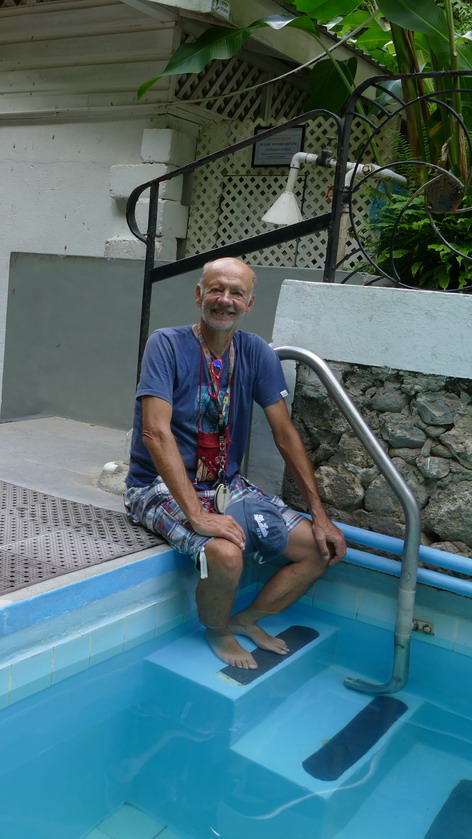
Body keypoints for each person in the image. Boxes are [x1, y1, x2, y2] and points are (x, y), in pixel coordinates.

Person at [124, 257, 347, 670]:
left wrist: (320, 515)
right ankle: (217, 629)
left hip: (227, 484)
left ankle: (249, 618)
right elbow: (156, 433)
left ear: (249, 303)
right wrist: (198, 515)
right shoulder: (167, 344)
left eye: (236, 293)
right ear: (199, 295)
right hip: (155, 486)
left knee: (321, 550)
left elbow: (285, 435)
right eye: (216, 289)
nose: (224, 300)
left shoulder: (256, 352)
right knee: (226, 555)